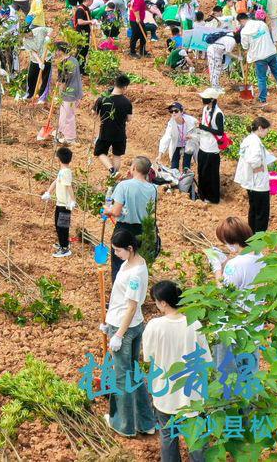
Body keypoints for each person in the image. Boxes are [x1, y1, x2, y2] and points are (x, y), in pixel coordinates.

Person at [142, 280, 207, 462]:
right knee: (196, 438)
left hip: (166, 393)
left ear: (163, 303)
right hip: (191, 394)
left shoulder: (154, 326)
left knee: (168, 436)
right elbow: (205, 359)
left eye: (155, 301)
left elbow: (148, 358)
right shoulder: (194, 324)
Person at [102, 227, 157, 436]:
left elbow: (132, 306)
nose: (116, 254)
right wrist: (109, 322)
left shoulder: (135, 274)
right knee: (133, 374)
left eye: (118, 250)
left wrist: (117, 334)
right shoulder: (132, 263)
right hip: (127, 323)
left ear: (130, 248)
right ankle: (146, 422)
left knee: (121, 377)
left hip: (125, 328)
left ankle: (122, 424)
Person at [108, 157, 158, 278]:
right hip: (144, 230)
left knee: (119, 264)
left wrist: (106, 211)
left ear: (134, 168)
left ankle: (120, 292)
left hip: (124, 229)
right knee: (137, 264)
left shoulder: (124, 185)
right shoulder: (153, 188)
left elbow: (116, 211)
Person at [234, 117, 274, 235]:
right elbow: (254, 159)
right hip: (258, 183)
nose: (267, 133)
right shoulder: (255, 142)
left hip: (251, 182)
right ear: (260, 128)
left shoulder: (248, 139)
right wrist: (259, 166)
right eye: (266, 130)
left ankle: (251, 234)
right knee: (262, 212)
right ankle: (259, 238)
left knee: (254, 209)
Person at [93, 74, 133, 176]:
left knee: (99, 152)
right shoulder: (127, 102)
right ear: (124, 87)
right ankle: (114, 178)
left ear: (115, 84)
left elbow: (94, 113)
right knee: (117, 155)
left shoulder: (103, 99)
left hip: (105, 131)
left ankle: (111, 170)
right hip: (120, 133)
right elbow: (129, 119)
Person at [43, 145, 76, 257]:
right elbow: (55, 182)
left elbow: (69, 187)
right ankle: (63, 243)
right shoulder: (62, 171)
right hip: (59, 203)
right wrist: (48, 192)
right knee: (58, 224)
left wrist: (72, 201)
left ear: (58, 159)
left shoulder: (66, 172)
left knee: (62, 226)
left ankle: (65, 248)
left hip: (65, 205)